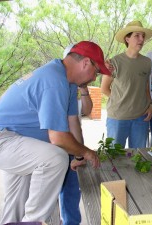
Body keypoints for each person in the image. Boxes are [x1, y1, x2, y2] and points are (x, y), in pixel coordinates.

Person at [0, 41, 111, 224]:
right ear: (86, 62)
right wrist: (86, 152)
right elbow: (58, 138)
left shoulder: (68, 83)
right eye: (96, 71)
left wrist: (79, 156)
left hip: (17, 141)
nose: (95, 78)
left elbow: (72, 124)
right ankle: (34, 222)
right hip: (0, 138)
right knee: (55, 158)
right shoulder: (54, 80)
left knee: (16, 206)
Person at [101, 21, 152, 148]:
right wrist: (121, 101)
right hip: (118, 118)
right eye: (137, 35)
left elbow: (146, 86)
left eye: (143, 36)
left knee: (139, 157)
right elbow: (104, 88)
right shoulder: (115, 62)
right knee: (114, 157)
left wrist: (150, 105)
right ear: (127, 38)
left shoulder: (147, 62)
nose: (141, 39)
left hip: (141, 118)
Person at [58, 44, 93, 225]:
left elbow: (86, 111)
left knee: (71, 191)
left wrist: (84, 88)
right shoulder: (58, 85)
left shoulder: (74, 89)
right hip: (59, 146)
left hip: (74, 146)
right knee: (52, 193)